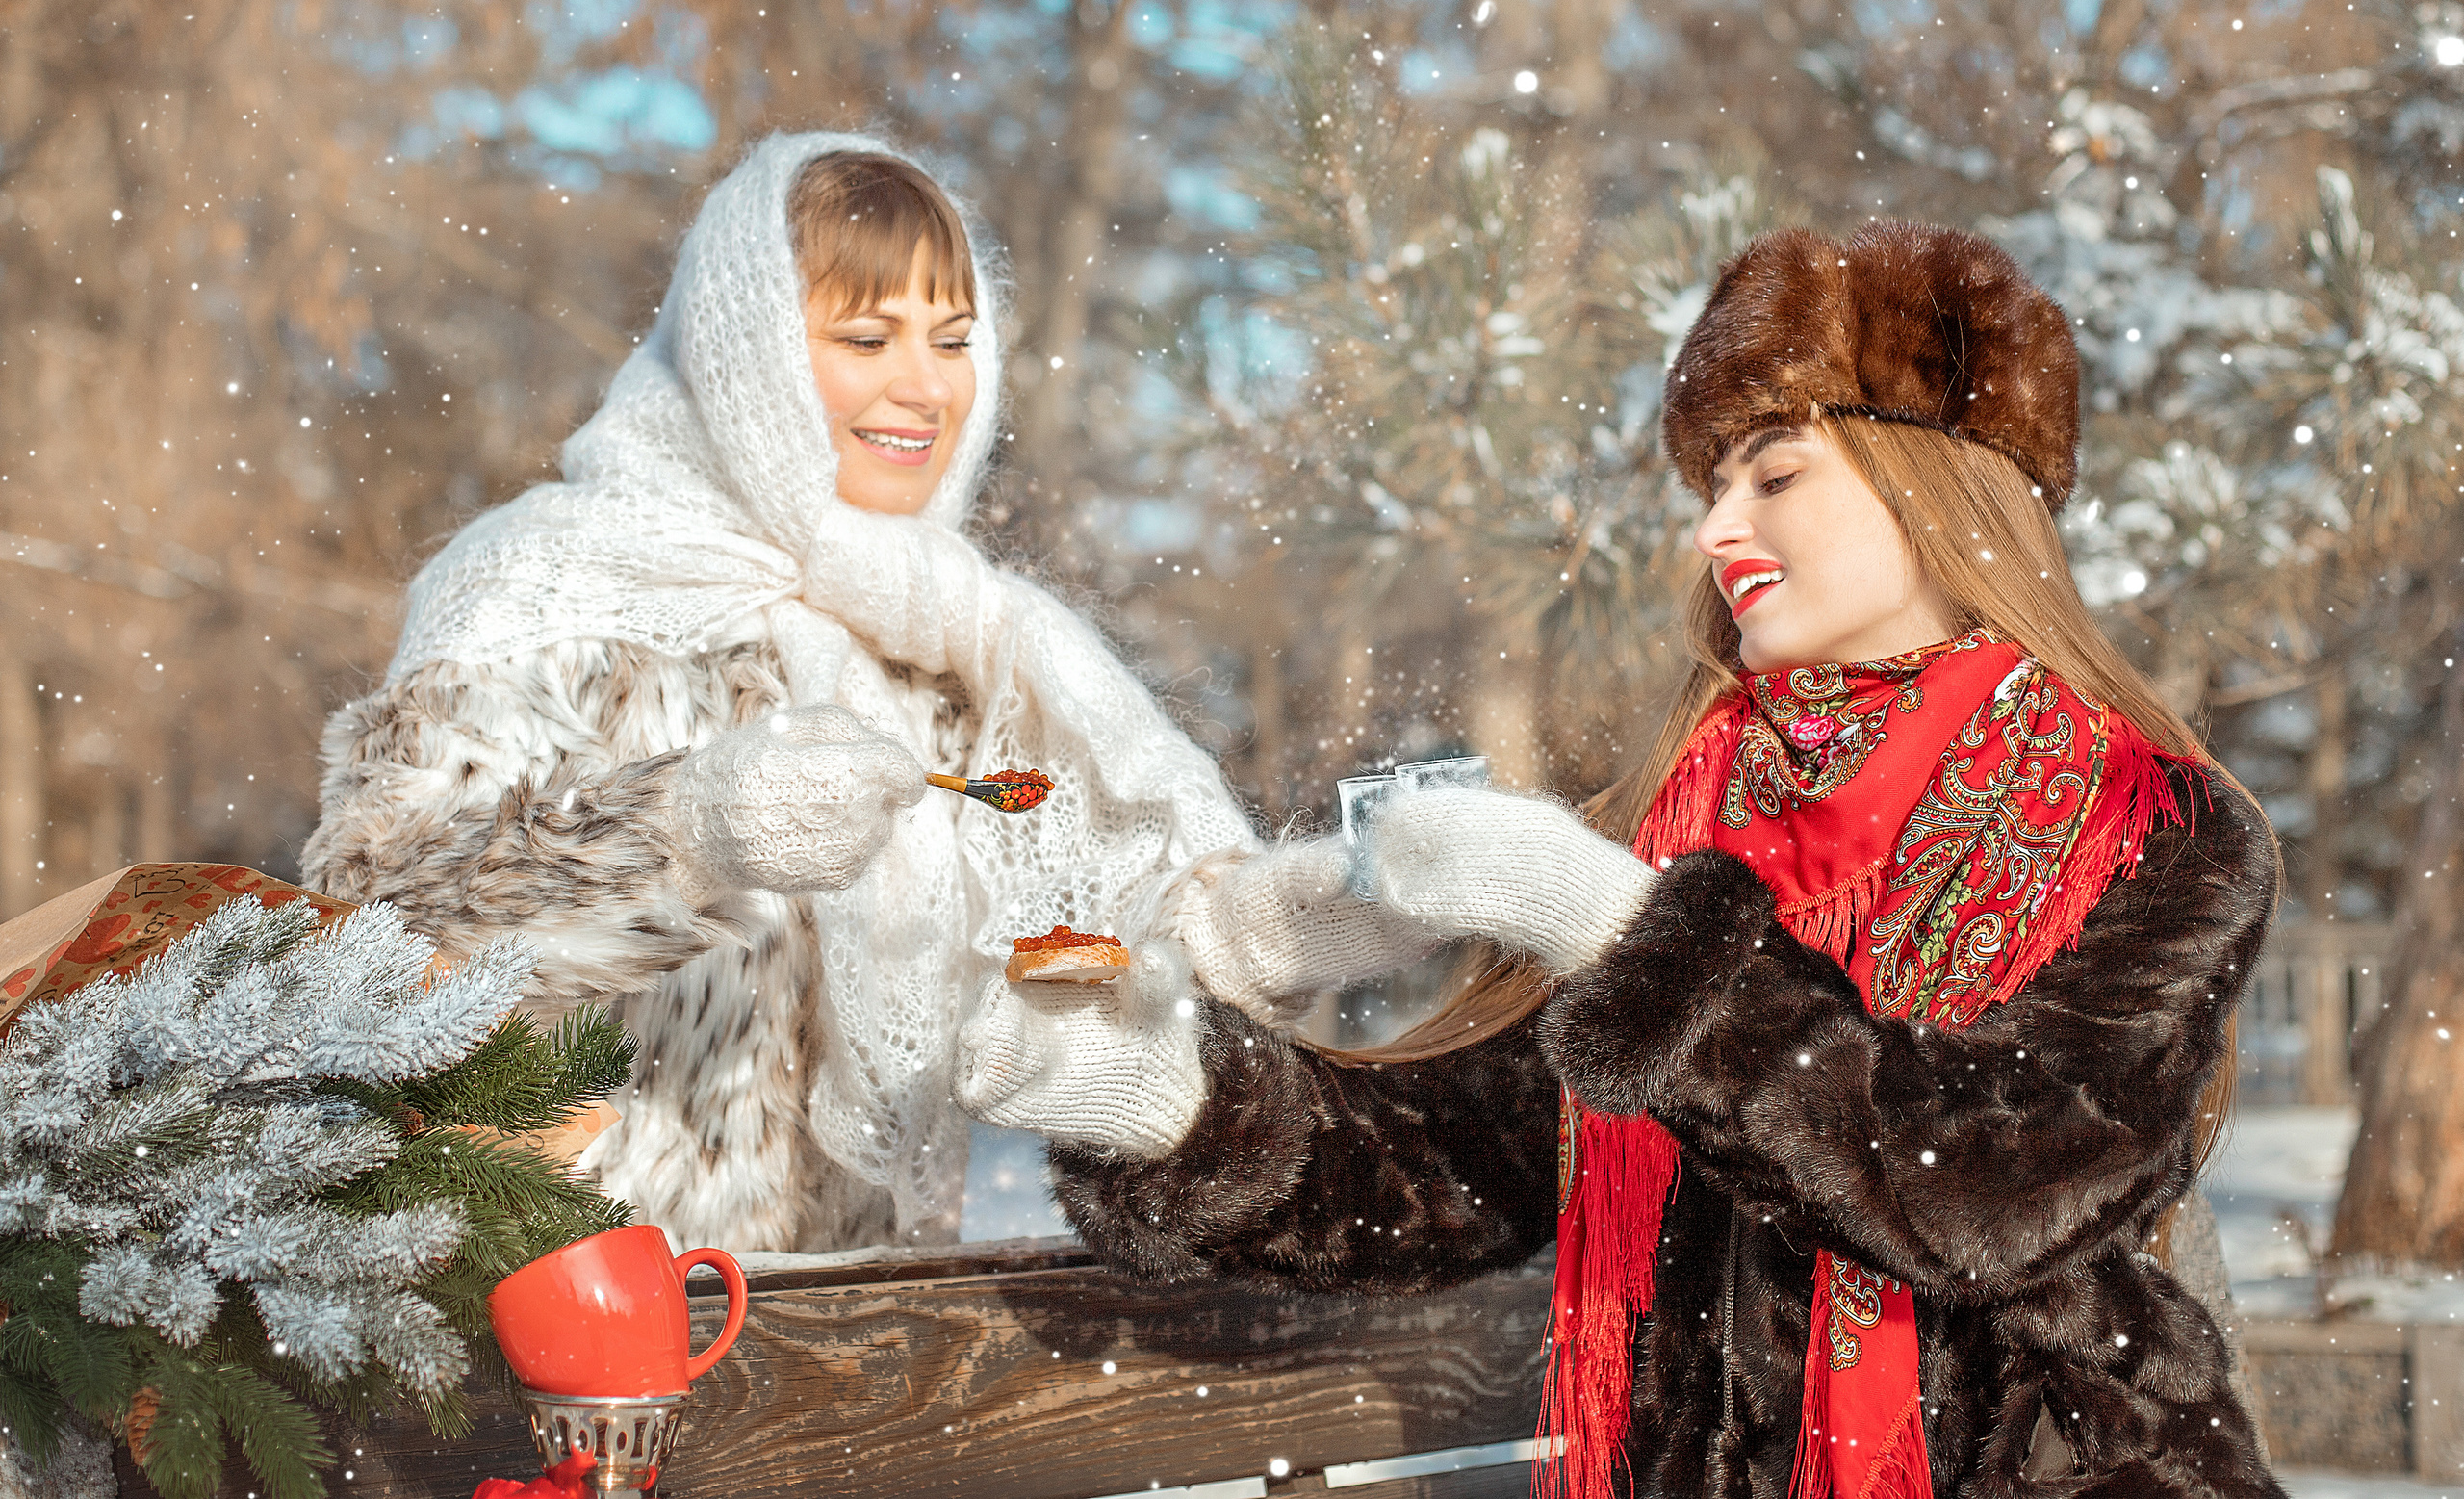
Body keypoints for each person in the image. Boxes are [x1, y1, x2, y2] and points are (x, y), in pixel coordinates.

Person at [958, 221, 2284, 1497]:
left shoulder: (2151, 819)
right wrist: (1164, 1100)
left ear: (1931, 480)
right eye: (1712, 487)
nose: (1714, 530)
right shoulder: (1671, 824)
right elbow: (1463, 1167)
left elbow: (1994, 1179)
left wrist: (1630, 938)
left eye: (1773, 473)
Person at [302, 132, 1438, 1253]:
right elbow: (375, 932)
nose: (924, 386)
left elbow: (1087, 939)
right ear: (746, 357)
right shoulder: (538, 583)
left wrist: (1289, 923)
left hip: (852, 1338)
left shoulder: (956, 635)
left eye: (951, 341)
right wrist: (689, 833)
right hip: (566, 1319)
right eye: (865, 335)